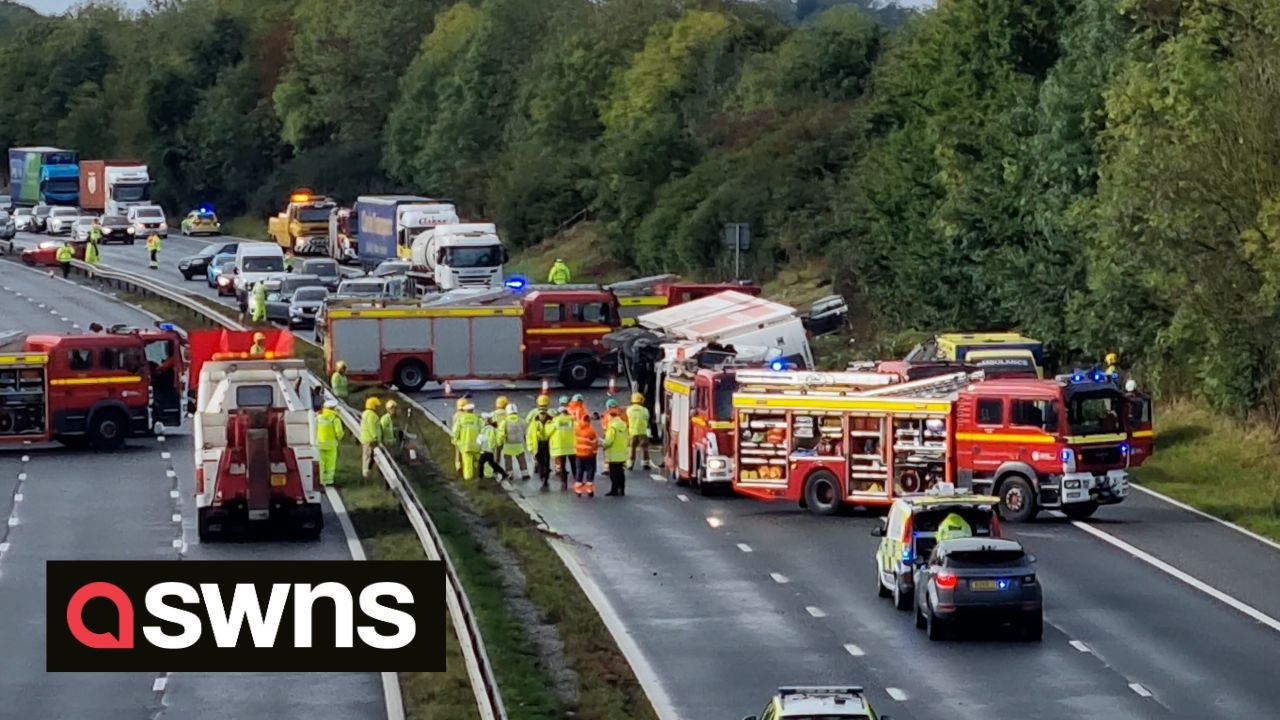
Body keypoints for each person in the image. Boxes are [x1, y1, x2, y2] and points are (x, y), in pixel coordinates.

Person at [315, 398, 344, 486]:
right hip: (331, 445)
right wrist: (338, 439)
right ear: (333, 408)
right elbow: (339, 432)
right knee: (330, 463)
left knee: (321, 462)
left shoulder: (318, 416)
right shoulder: (335, 418)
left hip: (319, 444)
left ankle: (321, 480)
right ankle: (328, 480)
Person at [548, 405, 576, 490]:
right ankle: (577, 480)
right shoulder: (572, 420)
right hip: (572, 447)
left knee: (562, 466)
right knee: (574, 464)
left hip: (560, 447)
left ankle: (564, 483)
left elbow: (548, 432)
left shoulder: (555, 420)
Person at [453, 401, 482, 482]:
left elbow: (455, 431)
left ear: (465, 410)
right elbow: (482, 430)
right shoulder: (477, 418)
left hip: (465, 445)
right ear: (473, 410)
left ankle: (468, 479)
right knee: (480, 459)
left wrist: (455, 440)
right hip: (476, 445)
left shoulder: (460, 419)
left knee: (467, 463)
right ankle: (480, 472)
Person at [499, 403, 529, 481]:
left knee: (508, 461)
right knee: (522, 460)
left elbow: (501, 435)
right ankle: (525, 474)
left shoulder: (504, 422)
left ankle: (510, 475)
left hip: (508, 445)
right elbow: (526, 432)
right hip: (519, 445)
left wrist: (500, 443)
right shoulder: (522, 421)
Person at [603, 410, 629, 496]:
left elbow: (608, 442)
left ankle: (614, 490)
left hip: (613, 454)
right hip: (622, 453)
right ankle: (622, 489)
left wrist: (602, 444)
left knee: (613, 474)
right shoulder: (623, 424)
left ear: (610, 416)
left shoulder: (612, 427)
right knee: (621, 472)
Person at [477, 413, 509, 481]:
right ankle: (504, 474)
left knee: (481, 462)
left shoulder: (486, 429)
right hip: (490, 449)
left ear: (486, 420)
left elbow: (481, 440)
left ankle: (480, 477)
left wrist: (480, 447)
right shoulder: (492, 429)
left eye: (483, 420)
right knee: (492, 463)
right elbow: (497, 438)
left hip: (486, 449)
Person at [527, 401, 552, 488]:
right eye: (541, 414)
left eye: (544, 413)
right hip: (538, 445)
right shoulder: (534, 423)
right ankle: (542, 476)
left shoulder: (551, 421)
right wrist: (530, 447)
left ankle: (546, 478)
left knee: (547, 462)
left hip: (547, 444)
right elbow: (529, 436)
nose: (542, 415)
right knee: (540, 462)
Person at [573, 414, 599, 497]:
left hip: (579, 454)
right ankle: (589, 490)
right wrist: (594, 453)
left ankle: (578, 491)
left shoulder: (577, 429)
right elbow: (594, 444)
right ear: (589, 421)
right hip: (589, 455)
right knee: (590, 471)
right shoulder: (591, 431)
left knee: (579, 471)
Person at [626, 392, 652, 470]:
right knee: (644, 448)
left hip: (632, 432)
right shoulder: (645, 410)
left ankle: (630, 464)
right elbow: (647, 418)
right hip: (642, 432)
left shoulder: (629, 410)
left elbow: (627, 419)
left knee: (632, 448)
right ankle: (645, 464)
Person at [359, 396, 381, 479]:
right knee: (368, 456)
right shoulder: (372, 415)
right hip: (370, 439)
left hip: (365, 437)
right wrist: (375, 438)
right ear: (373, 406)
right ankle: (366, 474)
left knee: (366, 455)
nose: (378, 408)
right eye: (377, 406)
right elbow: (372, 427)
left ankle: (366, 473)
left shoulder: (365, 413)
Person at [451, 396, 469, 472]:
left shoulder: (455, 415)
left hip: (458, 437)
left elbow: (453, 427)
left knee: (457, 452)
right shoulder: (467, 415)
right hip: (466, 436)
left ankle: (458, 465)